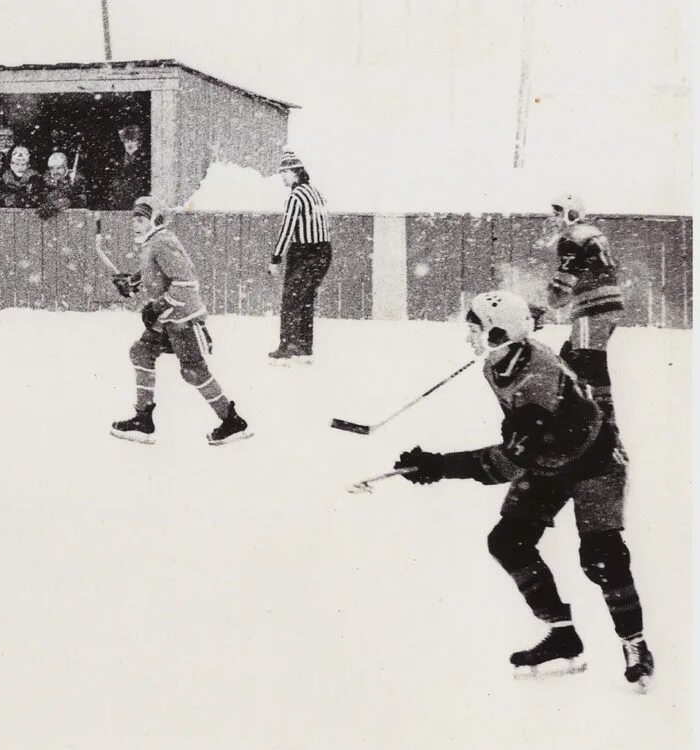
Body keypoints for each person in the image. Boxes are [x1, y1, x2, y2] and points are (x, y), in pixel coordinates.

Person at [392, 290, 653, 692]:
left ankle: (635, 646)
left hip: (596, 461)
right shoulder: (502, 360)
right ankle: (563, 634)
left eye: (475, 329)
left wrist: (438, 465)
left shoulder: (536, 382)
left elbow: (505, 463)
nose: (469, 336)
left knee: (601, 557)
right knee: (508, 542)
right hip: (549, 458)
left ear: (498, 334)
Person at [110, 197, 251, 446]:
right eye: (134, 219)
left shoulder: (163, 242)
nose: (135, 224)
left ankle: (231, 421)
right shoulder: (152, 241)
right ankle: (143, 419)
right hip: (166, 320)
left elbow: (185, 282)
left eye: (141, 219)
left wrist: (158, 306)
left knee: (193, 371)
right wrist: (131, 282)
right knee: (141, 352)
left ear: (155, 219)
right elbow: (155, 274)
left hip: (182, 319)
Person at [542, 194, 623, 418]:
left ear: (572, 214)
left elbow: (566, 277)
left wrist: (551, 301)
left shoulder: (571, 237)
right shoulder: (591, 233)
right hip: (608, 304)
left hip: (593, 307)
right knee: (569, 359)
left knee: (589, 362)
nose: (553, 218)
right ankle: (577, 415)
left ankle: (602, 422)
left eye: (557, 213)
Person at [268, 150, 331, 364]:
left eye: (284, 172)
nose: (282, 177)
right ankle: (304, 345)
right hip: (323, 251)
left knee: (291, 300)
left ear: (295, 172)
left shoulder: (296, 197)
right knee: (305, 300)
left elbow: (287, 230)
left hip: (305, 252)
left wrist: (276, 258)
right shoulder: (315, 192)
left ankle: (288, 346)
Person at [108, 125, 149, 211]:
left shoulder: (145, 163)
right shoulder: (118, 163)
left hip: (138, 208)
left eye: (133, 140)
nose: (129, 144)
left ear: (139, 142)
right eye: (126, 141)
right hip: (119, 207)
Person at [36, 151, 86, 219]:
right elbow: (38, 198)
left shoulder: (76, 180)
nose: (55, 172)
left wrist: (66, 202)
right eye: (52, 168)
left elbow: (82, 201)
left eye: (59, 168)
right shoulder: (44, 180)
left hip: (72, 220)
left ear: (65, 167)